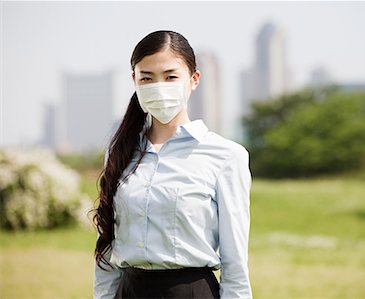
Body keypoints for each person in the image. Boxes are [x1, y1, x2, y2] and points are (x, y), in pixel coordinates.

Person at [93, 30, 252, 299]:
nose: (159, 86)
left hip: (191, 291)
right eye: (147, 78)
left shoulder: (225, 155)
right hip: (129, 291)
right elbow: (107, 247)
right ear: (134, 80)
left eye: (170, 76)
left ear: (194, 79)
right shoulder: (119, 153)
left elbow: (235, 260)